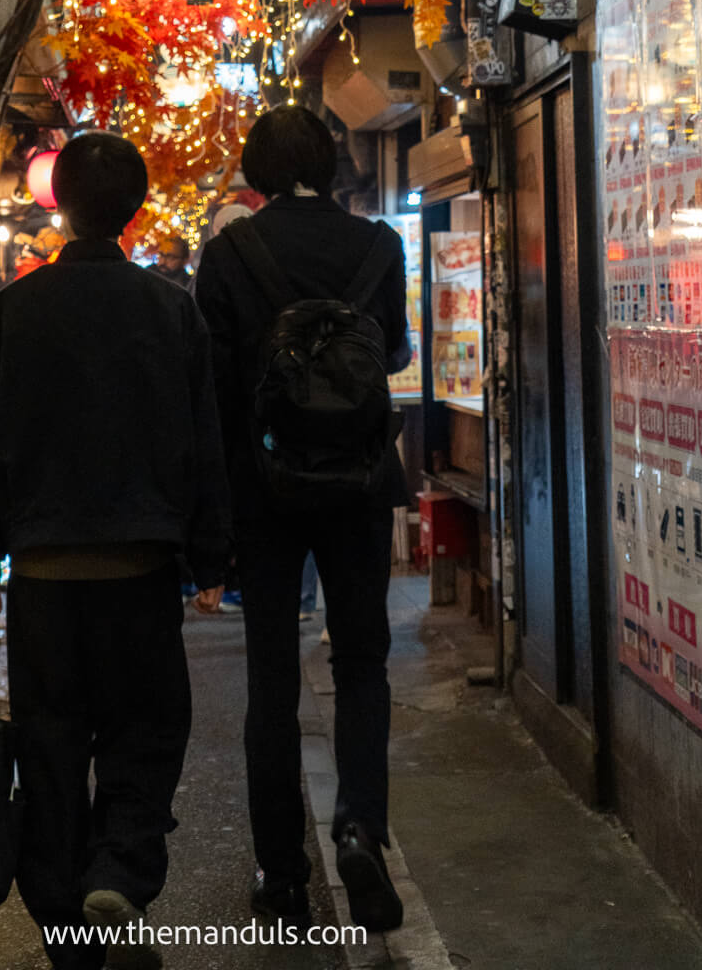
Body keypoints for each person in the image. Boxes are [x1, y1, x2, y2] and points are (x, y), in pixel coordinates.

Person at [0, 132, 230, 970]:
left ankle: (65, 928)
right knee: (146, 729)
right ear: (134, 209)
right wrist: (210, 559)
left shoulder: (15, 310)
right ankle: (119, 868)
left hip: (43, 576)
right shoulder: (170, 309)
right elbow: (203, 442)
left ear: (62, 204)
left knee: (49, 745)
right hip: (140, 572)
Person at [194, 105, 411, 936]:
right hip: (359, 484)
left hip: (264, 489)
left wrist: (212, 515)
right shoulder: (379, 246)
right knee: (361, 662)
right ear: (330, 164)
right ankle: (359, 829)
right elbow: (394, 351)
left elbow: (215, 390)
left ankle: (282, 873)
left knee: (272, 678)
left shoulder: (230, 254)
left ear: (255, 171)